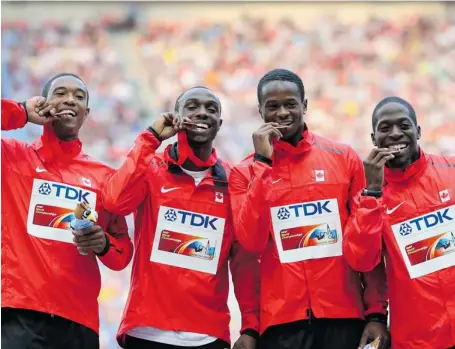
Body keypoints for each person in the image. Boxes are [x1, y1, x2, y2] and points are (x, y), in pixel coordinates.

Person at [229, 69, 390, 349]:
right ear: (260, 111)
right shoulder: (244, 173)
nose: (282, 113)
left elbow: (367, 240)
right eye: (273, 106)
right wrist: (263, 165)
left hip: (344, 318)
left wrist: (377, 313)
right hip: (281, 325)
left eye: (290, 104)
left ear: (304, 105)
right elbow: (250, 243)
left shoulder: (343, 158)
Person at [102, 86, 260, 349]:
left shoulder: (234, 181)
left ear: (219, 124)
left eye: (211, 109)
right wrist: (151, 137)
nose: (202, 113)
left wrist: (251, 327)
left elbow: (244, 261)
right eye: (192, 107)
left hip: (208, 336)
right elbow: (114, 202)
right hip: (146, 332)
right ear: (176, 117)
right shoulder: (151, 168)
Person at [1, 73, 134, 349]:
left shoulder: (104, 177)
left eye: (79, 96)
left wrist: (104, 243)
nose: (70, 99)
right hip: (20, 314)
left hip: (78, 322)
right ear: (44, 103)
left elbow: (122, 255)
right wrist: (21, 112)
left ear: (87, 112)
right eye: (60, 93)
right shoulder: (12, 157)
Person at [343, 96, 455, 349]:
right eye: (385, 128)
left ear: (418, 131)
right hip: (419, 338)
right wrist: (372, 192)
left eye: (404, 125)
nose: (395, 134)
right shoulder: (369, 197)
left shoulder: (450, 171)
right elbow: (360, 260)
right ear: (374, 139)